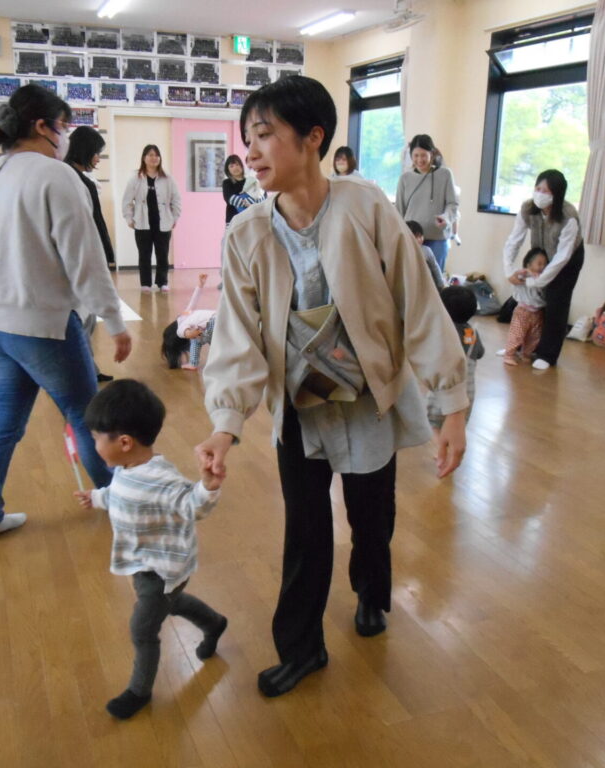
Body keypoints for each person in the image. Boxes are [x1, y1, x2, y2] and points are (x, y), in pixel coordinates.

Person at [196, 75, 469, 698]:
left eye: (264, 135)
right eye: (247, 139)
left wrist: (451, 404)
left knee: (373, 517)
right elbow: (236, 336)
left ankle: (372, 593)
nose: (251, 152)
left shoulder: (366, 208)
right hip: (301, 410)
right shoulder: (247, 234)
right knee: (305, 531)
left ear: (313, 137)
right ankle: (302, 648)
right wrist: (225, 425)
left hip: (368, 400)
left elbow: (419, 304)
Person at [0, 84, 131, 540]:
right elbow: (86, 260)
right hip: (42, 325)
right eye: (62, 126)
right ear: (42, 126)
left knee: (5, 423)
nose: (65, 136)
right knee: (86, 417)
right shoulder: (55, 176)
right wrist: (114, 321)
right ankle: (122, 507)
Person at [73, 379, 227, 720]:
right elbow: (120, 494)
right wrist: (96, 497)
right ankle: (215, 623)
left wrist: (207, 487)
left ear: (124, 442)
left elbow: (192, 505)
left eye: (97, 438)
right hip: (144, 563)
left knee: (143, 630)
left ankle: (139, 691)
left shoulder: (159, 478)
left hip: (163, 568)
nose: (94, 444)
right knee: (171, 604)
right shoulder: (126, 468)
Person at [500, 169, 585, 370]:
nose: (539, 194)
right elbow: (514, 240)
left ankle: (548, 354)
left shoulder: (568, 217)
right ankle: (522, 346)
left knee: (556, 303)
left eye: (545, 191)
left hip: (567, 260)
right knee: (532, 303)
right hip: (541, 255)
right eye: (537, 188)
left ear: (557, 194)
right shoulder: (528, 208)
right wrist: (509, 271)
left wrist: (537, 281)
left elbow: (562, 257)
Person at [66, 125, 117, 383]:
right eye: (96, 152)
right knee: (84, 316)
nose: (98, 158)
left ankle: (88, 368)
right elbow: (91, 223)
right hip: (79, 258)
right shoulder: (73, 179)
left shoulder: (77, 178)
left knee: (87, 317)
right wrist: (103, 254)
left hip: (81, 257)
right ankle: (83, 371)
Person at [122, 144, 182, 292]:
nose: (154, 158)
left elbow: (176, 200)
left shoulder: (168, 178)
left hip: (163, 222)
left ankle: (162, 282)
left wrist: (174, 217)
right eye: (150, 155)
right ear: (144, 158)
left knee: (163, 254)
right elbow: (127, 201)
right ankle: (145, 283)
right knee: (144, 254)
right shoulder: (135, 178)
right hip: (142, 222)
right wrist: (129, 219)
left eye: (156, 155)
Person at [395, 134, 458, 272]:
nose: (419, 160)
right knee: (412, 278)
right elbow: (399, 211)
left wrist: (446, 218)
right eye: (416, 155)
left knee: (435, 280)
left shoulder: (445, 174)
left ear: (432, 153)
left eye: (423, 155)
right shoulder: (405, 178)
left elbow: (453, 204)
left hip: (437, 237)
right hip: (412, 238)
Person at [438, 285, 484, 421]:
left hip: (445, 390)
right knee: (459, 425)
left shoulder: (442, 331)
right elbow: (480, 353)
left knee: (434, 424)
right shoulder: (472, 333)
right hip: (467, 392)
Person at [499, 247, 548, 366]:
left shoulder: (544, 278)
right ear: (529, 264)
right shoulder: (524, 275)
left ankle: (526, 354)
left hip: (537, 313)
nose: (542, 267)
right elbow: (518, 276)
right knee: (517, 334)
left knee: (534, 337)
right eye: (539, 263)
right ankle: (509, 355)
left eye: (545, 264)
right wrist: (527, 272)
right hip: (523, 311)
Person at [161, 273, 215, 370]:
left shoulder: (180, 329)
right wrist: (200, 285)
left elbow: (188, 334)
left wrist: (193, 334)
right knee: (212, 342)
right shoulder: (184, 317)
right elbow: (193, 301)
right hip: (217, 316)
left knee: (196, 340)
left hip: (212, 323)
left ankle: (193, 364)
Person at [405, 219, 445, 294]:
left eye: (421, 236)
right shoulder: (403, 250)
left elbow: (435, 267)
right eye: (416, 237)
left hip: (425, 284)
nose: (420, 239)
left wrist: (441, 283)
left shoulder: (426, 250)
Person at [222, 154, 262, 224]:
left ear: (241, 166)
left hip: (252, 219)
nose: (235, 168)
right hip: (234, 220)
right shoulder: (227, 182)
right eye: (231, 166)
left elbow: (261, 196)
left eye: (237, 165)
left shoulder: (251, 180)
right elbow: (229, 198)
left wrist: (253, 204)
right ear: (227, 169)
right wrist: (247, 203)